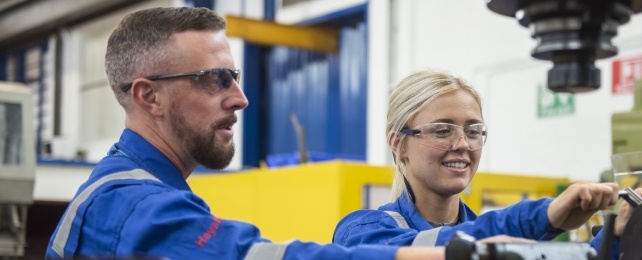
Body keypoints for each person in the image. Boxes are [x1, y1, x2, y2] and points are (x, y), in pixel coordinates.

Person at [45, 7, 460, 259]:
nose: (240, 98)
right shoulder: (130, 205)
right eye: (214, 79)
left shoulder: (154, 192)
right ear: (149, 96)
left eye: (235, 77)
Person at [332, 70, 642, 257]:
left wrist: (615, 237)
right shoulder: (363, 232)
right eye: (443, 130)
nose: (462, 145)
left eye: (473, 131)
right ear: (398, 143)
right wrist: (540, 216)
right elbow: (449, 249)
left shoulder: (491, 232)